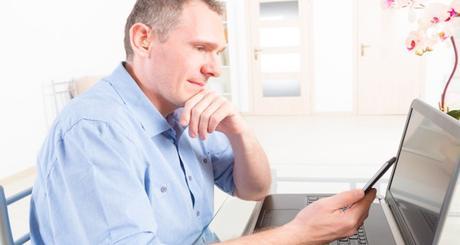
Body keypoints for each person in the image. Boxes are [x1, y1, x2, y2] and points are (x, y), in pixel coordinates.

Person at [29, 0, 376, 244]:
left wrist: (239, 132)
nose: (214, 68)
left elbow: (253, 189)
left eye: (217, 53)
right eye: (200, 48)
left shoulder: (182, 108)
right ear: (143, 39)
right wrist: (299, 233)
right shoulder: (95, 130)